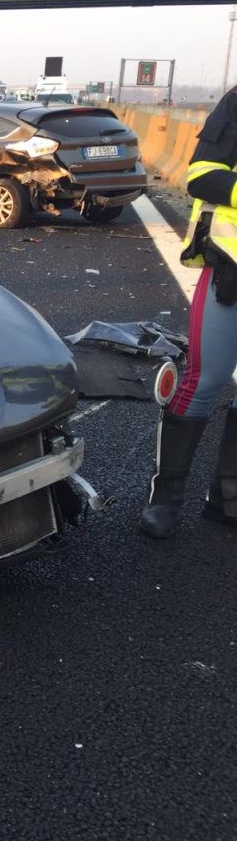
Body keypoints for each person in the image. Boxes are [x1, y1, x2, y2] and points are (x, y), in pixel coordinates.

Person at [140, 85, 237, 537]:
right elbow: (201, 175)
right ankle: (164, 500)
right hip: (229, 270)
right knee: (203, 382)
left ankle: (227, 502)